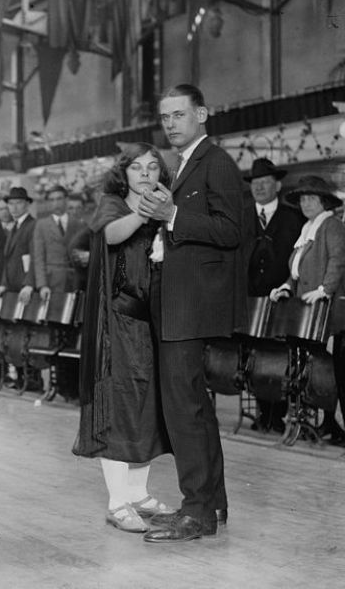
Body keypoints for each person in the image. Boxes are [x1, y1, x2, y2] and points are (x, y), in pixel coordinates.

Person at [139, 84, 245, 543]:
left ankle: (196, 511)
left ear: (202, 113)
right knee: (195, 409)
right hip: (180, 300)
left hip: (190, 304)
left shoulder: (215, 161)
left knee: (184, 409)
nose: (171, 124)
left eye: (179, 114)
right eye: (165, 117)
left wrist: (172, 213)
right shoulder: (187, 164)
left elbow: (232, 230)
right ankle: (211, 504)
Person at [73, 143, 174, 533]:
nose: (146, 173)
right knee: (117, 405)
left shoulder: (164, 209)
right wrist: (147, 211)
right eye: (137, 167)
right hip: (117, 324)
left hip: (152, 322)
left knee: (146, 404)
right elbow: (113, 235)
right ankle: (117, 502)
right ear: (124, 174)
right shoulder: (112, 204)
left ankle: (138, 492)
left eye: (153, 167)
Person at [269, 175, 345, 445]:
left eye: (311, 198)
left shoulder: (331, 225)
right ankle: (319, 423)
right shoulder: (307, 229)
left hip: (325, 310)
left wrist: (325, 288)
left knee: (327, 368)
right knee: (311, 368)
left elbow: (338, 260)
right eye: (302, 199)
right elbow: (296, 271)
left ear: (323, 201)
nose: (305, 203)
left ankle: (333, 426)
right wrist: (286, 287)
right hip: (305, 312)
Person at [243, 158, 304, 432]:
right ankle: (262, 413)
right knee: (253, 355)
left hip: (282, 302)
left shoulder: (294, 218)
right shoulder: (241, 215)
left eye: (265, 182)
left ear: (277, 185)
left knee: (279, 357)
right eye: (255, 183)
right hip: (249, 300)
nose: (260, 187)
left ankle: (277, 414)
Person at [19, 184, 83, 400]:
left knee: (73, 336)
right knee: (55, 335)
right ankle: (60, 386)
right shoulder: (42, 225)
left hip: (74, 286)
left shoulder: (78, 223)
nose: (56, 202)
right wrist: (42, 285)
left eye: (60, 198)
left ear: (66, 200)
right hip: (53, 287)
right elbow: (37, 257)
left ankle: (73, 387)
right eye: (52, 199)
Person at [0, 187, 35, 298]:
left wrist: (29, 284)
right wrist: (4, 284)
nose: (14, 208)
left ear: (27, 204)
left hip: (26, 289)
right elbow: (8, 260)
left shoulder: (33, 225)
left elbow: (36, 258)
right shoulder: (14, 227)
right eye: (11, 204)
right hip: (12, 288)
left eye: (19, 203)